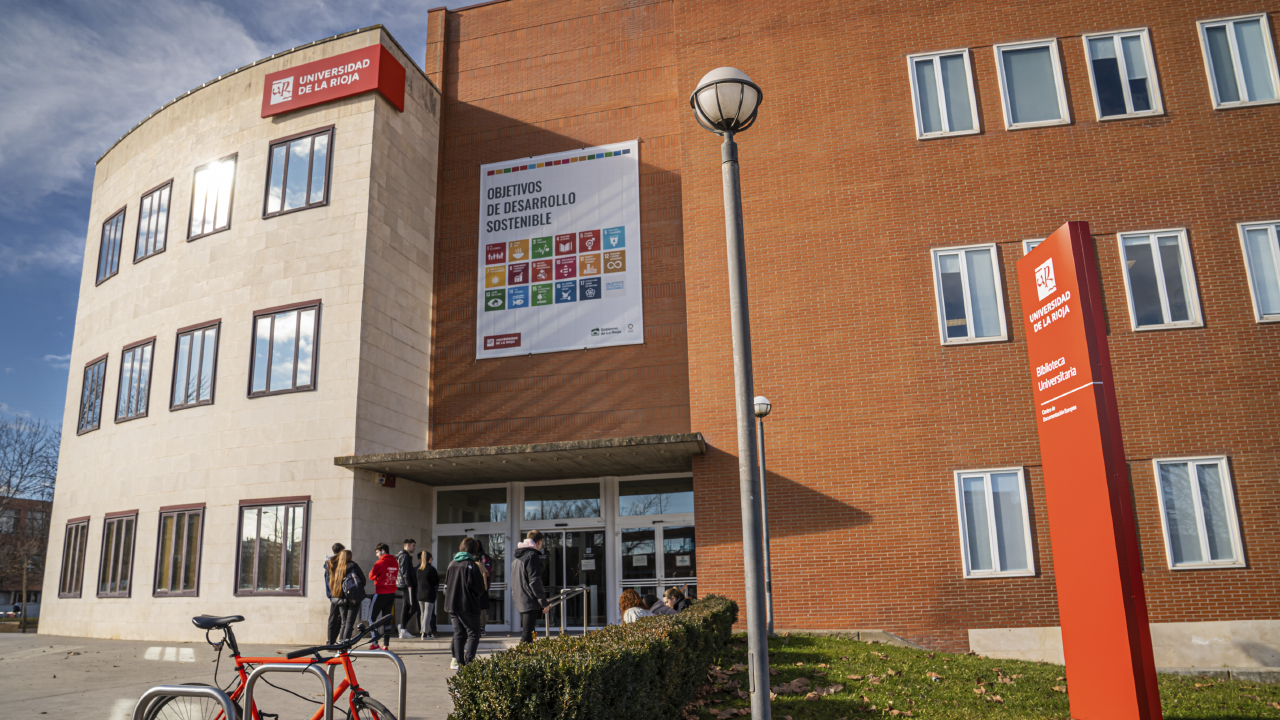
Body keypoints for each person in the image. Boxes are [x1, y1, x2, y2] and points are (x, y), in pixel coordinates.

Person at [445, 537, 487, 669]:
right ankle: (469, 663)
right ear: (474, 549)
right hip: (468, 605)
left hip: (452, 605)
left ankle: (459, 663)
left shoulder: (452, 564)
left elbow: (447, 585)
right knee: (474, 633)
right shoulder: (471, 565)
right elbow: (479, 588)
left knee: (459, 634)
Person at [510, 530, 551, 643]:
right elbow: (534, 581)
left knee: (529, 633)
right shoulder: (532, 555)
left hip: (520, 599)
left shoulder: (517, 557)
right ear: (539, 541)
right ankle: (520, 659)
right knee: (527, 635)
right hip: (529, 600)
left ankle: (528, 658)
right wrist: (544, 602)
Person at [330, 550, 366, 642]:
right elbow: (363, 581)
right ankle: (345, 645)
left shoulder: (336, 568)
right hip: (353, 598)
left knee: (343, 623)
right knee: (349, 623)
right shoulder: (354, 566)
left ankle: (340, 645)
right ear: (349, 557)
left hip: (340, 599)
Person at [368, 543, 399, 651]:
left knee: (371, 618)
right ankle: (386, 645)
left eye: (377, 552)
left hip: (380, 593)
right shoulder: (395, 562)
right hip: (391, 593)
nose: (377, 555)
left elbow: (371, 576)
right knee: (387, 619)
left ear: (382, 550)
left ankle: (375, 643)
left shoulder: (380, 562)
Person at [323, 542, 346, 644]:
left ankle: (331, 641)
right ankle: (332, 641)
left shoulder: (329, 563)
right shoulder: (337, 563)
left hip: (333, 593)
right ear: (341, 551)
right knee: (338, 618)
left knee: (335, 617)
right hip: (338, 593)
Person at [396, 539, 419, 639]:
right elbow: (404, 571)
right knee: (413, 606)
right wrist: (409, 584)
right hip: (406, 585)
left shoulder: (404, 556)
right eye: (413, 546)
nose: (414, 548)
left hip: (404, 584)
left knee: (406, 606)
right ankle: (402, 627)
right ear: (408, 545)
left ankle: (403, 628)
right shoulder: (404, 556)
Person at [416, 550, 440, 638]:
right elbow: (436, 581)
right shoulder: (431, 569)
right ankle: (425, 633)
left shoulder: (419, 570)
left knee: (422, 613)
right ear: (429, 559)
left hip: (420, 594)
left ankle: (424, 631)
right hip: (429, 594)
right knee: (428, 613)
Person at [474, 542, 492, 631]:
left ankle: (476, 627)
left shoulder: (472, 563)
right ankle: (481, 627)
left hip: (474, 589)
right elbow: (487, 574)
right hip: (483, 588)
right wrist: (486, 586)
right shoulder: (485, 559)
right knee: (482, 609)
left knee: (475, 608)